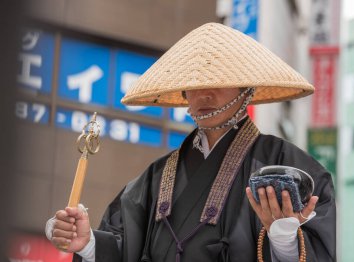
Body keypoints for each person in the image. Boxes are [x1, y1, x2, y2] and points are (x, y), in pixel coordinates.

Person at [46, 23, 336, 262]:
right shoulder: (155, 178)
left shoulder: (284, 167)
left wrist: (283, 240)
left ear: (246, 89)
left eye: (218, 80)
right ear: (183, 94)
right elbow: (126, 249)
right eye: (194, 85)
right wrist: (88, 243)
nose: (204, 95)